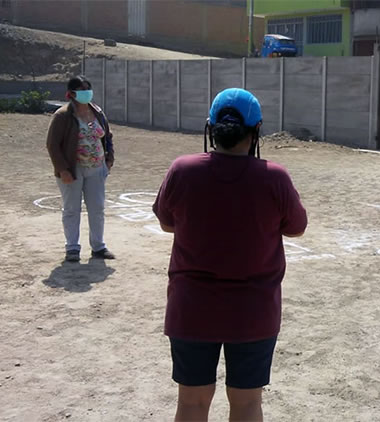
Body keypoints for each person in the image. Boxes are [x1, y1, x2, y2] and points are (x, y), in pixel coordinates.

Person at [152, 88, 307, 422]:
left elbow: (167, 224)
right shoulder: (274, 177)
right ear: (257, 130)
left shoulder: (183, 170)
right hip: (253, 310)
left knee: (191, 404)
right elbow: (296, 228)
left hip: (192, 308)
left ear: (211, 128)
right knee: (248, 404)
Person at [46, 75, 115, 262]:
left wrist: (109, 160)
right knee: (71, 209)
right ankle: (72, 248)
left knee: (97, 208)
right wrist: (63, 170)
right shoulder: (62, 115)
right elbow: (53, 145)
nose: (86, 92)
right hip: (72, 170)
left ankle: (98, 247)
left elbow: (107, 136)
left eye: (88, 88)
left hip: (96, 168)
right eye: (82, 89)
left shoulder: (98, 112)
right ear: (72, 93)